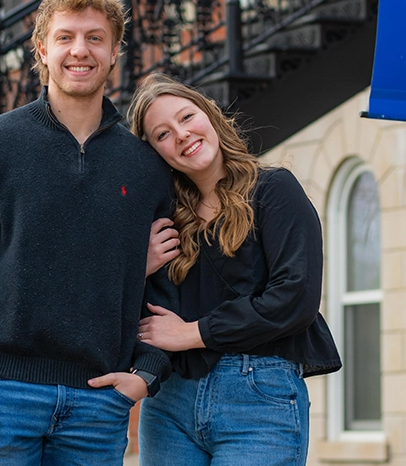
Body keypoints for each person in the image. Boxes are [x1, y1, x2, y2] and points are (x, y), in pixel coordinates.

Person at [0, 0, 174, 466]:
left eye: (96, 38)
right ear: (42, 50)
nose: (81, 50)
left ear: (115, 51)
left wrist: (146, 373)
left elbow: (167, 282)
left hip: (98, 405)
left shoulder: (145, 167)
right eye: (65, 37)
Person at [128, 73, 342, 466]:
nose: (181, 134)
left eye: (187, 117)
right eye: (162, 134)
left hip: (258, 398)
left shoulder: (274, 191)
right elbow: (126, 313)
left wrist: (193, 333)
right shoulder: (163, 220)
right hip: (170, 403)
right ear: (153, 152)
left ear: (209, 115)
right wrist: (139, 269)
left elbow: (294, 299)